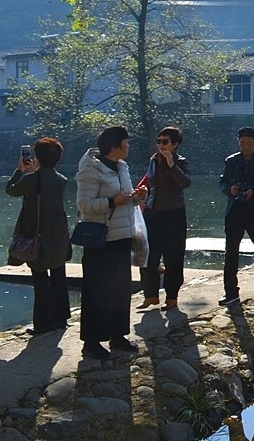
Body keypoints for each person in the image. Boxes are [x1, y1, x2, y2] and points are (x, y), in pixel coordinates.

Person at [76, 126, 147, 359]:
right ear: (115, 146)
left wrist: (137, 197)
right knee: (97, 292)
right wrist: (111, 201)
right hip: (101, 241)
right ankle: (92, 342)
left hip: (122, 237)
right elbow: (84, 206)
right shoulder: (90, 169)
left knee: (120, 290)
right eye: (126, 142)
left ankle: (118, 335)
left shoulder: (122, 166)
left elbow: (124, 200)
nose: (128, 146)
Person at [5, 137, 70, 336]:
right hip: (59, 237)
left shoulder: (31, 179)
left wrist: (20, 170)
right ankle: (61, 318)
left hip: (38, 237)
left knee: (40, 279)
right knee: (59, 276)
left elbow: (10, 190)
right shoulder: (61, 180)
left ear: (37, 157)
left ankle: (43, 324)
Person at [218, 127, 254, 306]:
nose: (245, 147)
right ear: (238, 143)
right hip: (235, 211)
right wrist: (230, 190)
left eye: (249, 143)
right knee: (231, 253)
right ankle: (231, 291)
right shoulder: (231, 161)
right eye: (242, 143)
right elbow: (222, 182)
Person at [138, 126, 191, 311]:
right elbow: (151, 184)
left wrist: (171, 164)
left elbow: (185, 183)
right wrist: (144, 192)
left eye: (165, 142)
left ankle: (172, 296)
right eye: (159, 141)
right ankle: (151, 295)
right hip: (152, 214)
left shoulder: (180, 162)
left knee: (173, 258)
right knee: (146, 256)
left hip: (173, 215)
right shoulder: (154, 160)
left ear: (175, 144)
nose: (161, 145)